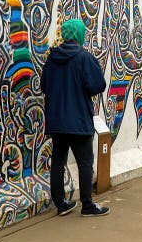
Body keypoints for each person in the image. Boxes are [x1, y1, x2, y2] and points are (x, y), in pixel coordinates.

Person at [41, 19, 110, 217]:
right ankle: (87, 205)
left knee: (58, 162)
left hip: (57, 121)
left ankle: (61, 203)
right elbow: (98, 85)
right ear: (79, 34)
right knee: (85, 162)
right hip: (78, 120)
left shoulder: (52, 58)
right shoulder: (83, 57)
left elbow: (44, 86)